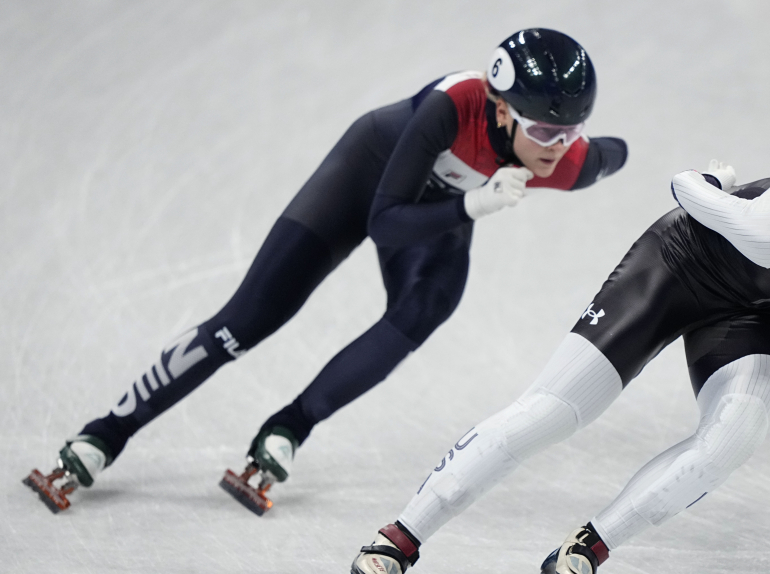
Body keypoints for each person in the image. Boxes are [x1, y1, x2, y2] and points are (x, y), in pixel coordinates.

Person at [23, 28, 628, 515]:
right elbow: (385, 221)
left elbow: (613, 153)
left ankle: (288, 427)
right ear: (499, 108)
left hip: (438, 208)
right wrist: (473, 203)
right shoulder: (453, 106)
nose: (557, 145)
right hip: (368, 178)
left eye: (571, 130)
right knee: (249, 318)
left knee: (426, 308)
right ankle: (106, 432)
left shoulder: (565, 159)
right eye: (545, 129)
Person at [328, 158, 770, 574]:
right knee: (552, 412)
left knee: (734, 437)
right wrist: (714, 180)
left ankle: (585, 551)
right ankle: (395, 541)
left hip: (753, 306)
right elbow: (685, 186)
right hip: (676, 268)